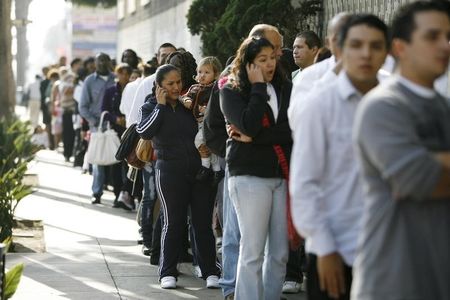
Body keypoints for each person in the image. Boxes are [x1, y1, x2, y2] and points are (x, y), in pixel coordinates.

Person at [351, 2, 450, 300]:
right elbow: (419, 179)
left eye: (448, 36)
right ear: (400, 47)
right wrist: (431, 167)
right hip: (392, 282)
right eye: (432, 36)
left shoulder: (443, 108)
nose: (445, 45)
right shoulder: (383, 106)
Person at [290, 14, 389, 300]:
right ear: (339, 48)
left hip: (389, 247)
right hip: (336, 248)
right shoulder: (319, 103)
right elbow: (305, 183)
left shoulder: (396, 99)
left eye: (375, 45)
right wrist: (324, 247)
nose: (366, 54)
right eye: (356, 45)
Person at [220, 36, 293, 300]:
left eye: (273, 58)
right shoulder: (231, 89)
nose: (270, 64)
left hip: (281, 175)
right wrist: (258, 87)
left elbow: (292, 129)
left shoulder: (285, 86)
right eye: (262, 60)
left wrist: (259, 137)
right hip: (249, 176)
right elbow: (248, 125)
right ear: (248, 63)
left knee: (279, 252)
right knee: (252, 251)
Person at [137, 65, 221, 289]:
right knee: (173, 222)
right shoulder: (150, 107)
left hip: (198, 171)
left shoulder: (188, 105)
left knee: (202, 223)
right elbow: (145, 131)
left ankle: (209, 270)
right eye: (170, 84)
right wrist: (162, 107)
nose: (176, 87)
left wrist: (206, 150)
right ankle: (167, 271)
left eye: (178, 82)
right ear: (159, 86)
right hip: (169, 172)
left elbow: (206, 128)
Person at [79, 53, 115, 205]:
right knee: (98, 160)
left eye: (104, 60)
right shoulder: (89, 81)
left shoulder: (116, 78)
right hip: (96, 127)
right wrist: (93, 121)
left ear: (108, 62)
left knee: (116, 158)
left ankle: (119, 194)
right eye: (98, 60)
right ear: (95, 62)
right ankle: (97, 193)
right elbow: (83, 106)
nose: (101, 63)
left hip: (115, 125)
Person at [181, 56, 223, 182]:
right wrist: (187, 100)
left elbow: (221, 106)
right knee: (208, 145)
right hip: (199, 123)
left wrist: (209, 110)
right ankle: (216, 170)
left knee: (199, 141)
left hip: (211, 123)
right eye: (200, 72)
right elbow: (184, 97)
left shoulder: (216, 88)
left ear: (216, 75)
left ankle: (205, 166)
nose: (202, 75)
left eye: (207, 72)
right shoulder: (195, 87)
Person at [101, 63, 133, 209]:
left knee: (128, 164)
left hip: (128, 132)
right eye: (121, 73)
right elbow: (104, 111)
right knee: (116, 164)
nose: (124, 77)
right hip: (114, 132)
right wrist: (116, 119)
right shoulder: (110, 91)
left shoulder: (133, 89)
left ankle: (126, 195)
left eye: (127, 74)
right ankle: (117, 195)